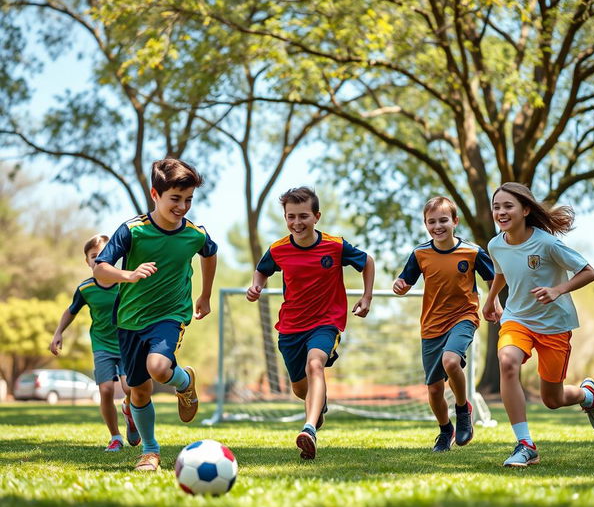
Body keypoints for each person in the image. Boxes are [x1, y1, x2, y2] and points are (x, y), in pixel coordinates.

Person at [93, 157, 218, 472]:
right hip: (129, 320)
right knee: (139, 390)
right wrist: (129, 275)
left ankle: (180, 385)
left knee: (159, 367)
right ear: (155, 195)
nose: (182, 206)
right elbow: (101, 270)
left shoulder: (194, 234)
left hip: (170, 315)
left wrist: (204, 295)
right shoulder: (133, 231)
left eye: (188, 199)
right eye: (175, 198)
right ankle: (150, 448)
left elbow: (210, 252)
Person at [482, 182, 594, 468]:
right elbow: (501, 271)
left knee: (553, 398)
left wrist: (557, 290)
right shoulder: (496, 244)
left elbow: (589, 272)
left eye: (508, 206)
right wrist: (491, 301)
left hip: (554, 325)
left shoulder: (547, 243)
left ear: (526, 210)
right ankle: (525, 445)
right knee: (507, 361)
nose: (501, 212)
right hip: (518, 318)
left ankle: (587, 395)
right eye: (496, 206)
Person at [246, 186, 375, 460]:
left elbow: (368, 262)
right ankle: (319, 404)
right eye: (290, 216)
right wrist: (256, 286)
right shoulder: (278, 250)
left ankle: (309, 430)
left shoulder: (335, 245)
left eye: (303, 216)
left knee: (315, 364)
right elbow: (261, 270)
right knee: (300, 388)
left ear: (316, 216)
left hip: (326, 322)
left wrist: (366, 297)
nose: (297, 222)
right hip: (291, 327)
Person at [393, 196, 495, 452]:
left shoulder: (472, 252)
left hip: (463, 317)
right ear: (426, 224)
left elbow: (494, 279)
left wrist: (494, 303)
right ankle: (445, 429)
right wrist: (400, 286)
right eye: (432, 222)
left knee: (451, 361)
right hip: (431, 325)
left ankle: (463, 409)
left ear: (455, 221)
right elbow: (406, 281)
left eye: (443, 220)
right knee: (435, 389)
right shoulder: (420, 254)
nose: (438, 226)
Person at [50, 234, 138, 452]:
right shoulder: (85, 288)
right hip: (102, 345)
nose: (99, 259)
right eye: (94, 256)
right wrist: (58, 332)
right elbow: (71, 311)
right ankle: (115, 437)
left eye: (103, 255)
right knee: (106, 390)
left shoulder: (124, 283)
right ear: (87, 261)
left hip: (126, 343)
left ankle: (129, 411)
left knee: (130, 388)